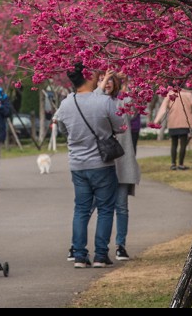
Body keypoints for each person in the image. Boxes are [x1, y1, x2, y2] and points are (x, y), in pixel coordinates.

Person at [53, 62, 126, 269]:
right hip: (102, 164)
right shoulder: (103, 102)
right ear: (88, 77)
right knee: (105, 209)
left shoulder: (66, 103)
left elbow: (61, 128)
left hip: (77, 164)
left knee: (81, 209)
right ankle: (101, 255)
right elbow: (120, 126)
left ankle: (79, 255)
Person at [100, 72, 140, 261]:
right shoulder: (94, 104)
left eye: (109, 79)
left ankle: (120, 245)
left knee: (121, 206)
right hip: (101, 162)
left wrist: (131, 78)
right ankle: (98, 247)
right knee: (98, 207)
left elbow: (137, 103)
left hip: (122, 162)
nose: (106, 83)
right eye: (101, 79)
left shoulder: (124, 102)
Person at [151, 87, 192, 170]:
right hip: (185, 122)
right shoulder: (188, 95)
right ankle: (181, 164)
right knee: (183, 144)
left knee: (174, 144)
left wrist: (156, 121)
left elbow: (163, 108)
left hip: (173, 122)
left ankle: (173, 164)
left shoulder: (170, 94)